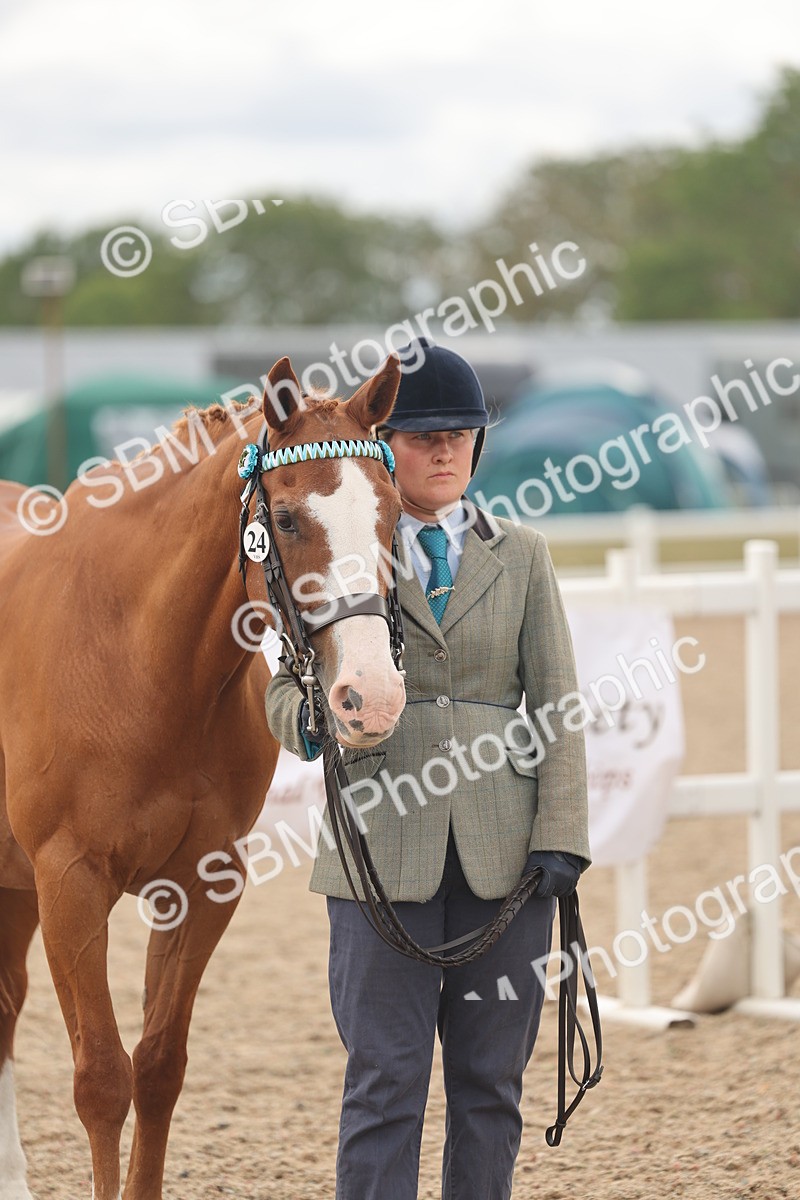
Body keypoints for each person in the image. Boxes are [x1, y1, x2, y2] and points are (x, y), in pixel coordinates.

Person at [264, 337, 590, 1200]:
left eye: (462, 432)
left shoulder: (521, 555)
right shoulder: (338, 544)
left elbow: (557, 704)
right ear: (384, 444)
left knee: (491, 1087)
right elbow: (279, 689)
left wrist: (562, 838)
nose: (446, 449)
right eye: (424, 434)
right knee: (384, 1083)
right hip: (379, 849)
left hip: (504, 857)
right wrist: (312, 721)